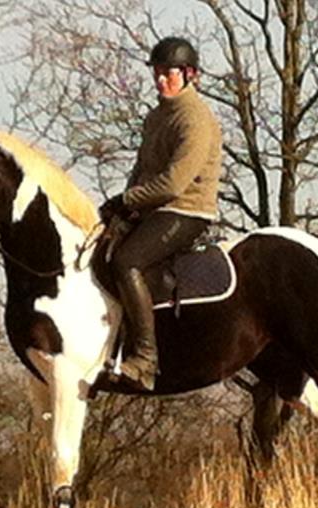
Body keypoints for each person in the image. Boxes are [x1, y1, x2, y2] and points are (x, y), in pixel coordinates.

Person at [99, 37, 223, 391]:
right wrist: (121, 211)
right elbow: (141, 171)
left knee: (127, 262)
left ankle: (145, 361)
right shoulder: (156, 116)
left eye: (167, 73)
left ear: (190, 74)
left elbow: (173, 183)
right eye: (156, 73)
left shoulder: (195, 118)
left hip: (186, 211)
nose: (159, 80)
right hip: (153, 210)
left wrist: (127, 200)